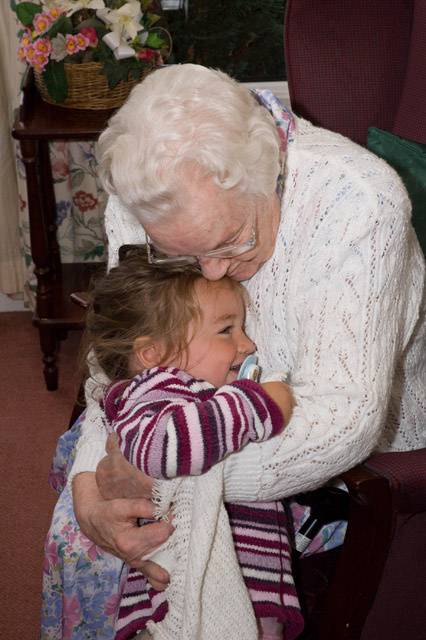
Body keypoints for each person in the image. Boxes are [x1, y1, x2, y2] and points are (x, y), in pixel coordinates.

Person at [41, 64, 426, 639]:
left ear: (267, 172)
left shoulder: (358, 204)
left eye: (230, 241)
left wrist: (162, 478)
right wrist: (89, 489)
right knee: (82, 534)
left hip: (333, 467)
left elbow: (342, 422)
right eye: (184, 255)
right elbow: (120, 365)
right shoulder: (146, 198)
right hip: (176, 428)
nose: (216, 272)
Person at [80, 251, 302, 639]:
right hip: (183, 604)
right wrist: (261, 403)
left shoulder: (198, 391)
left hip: (247, 587)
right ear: (154, 354)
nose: (248, 344)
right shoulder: (151, 393)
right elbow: (165, 447)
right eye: (226, 330)